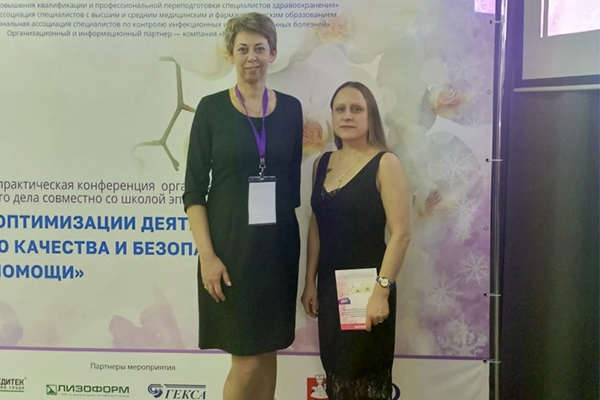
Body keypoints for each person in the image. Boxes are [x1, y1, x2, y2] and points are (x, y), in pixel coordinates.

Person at [183, 12, 303, 400]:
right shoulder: (211, 109)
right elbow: (193, 191)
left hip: (277, 251)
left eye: (259, 48)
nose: (252, 57)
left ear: (273, 54)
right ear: (230, 54)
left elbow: (291, 186)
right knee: (246, 360)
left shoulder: (292, 110)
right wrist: (207, 257)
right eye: (243, 49)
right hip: (230, 253)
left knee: (267, 352)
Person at [301, 81, 411, 399]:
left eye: (356, 109)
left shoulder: (386, 163)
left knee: (362, 381)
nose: (347, 116)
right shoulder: (322, 163)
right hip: (329, 291)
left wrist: (381, 292)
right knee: (337, 377)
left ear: (370, 116)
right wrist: (309, 281)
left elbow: (401, 234)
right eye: (340, 109)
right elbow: (316, 224)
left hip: (368, 291)